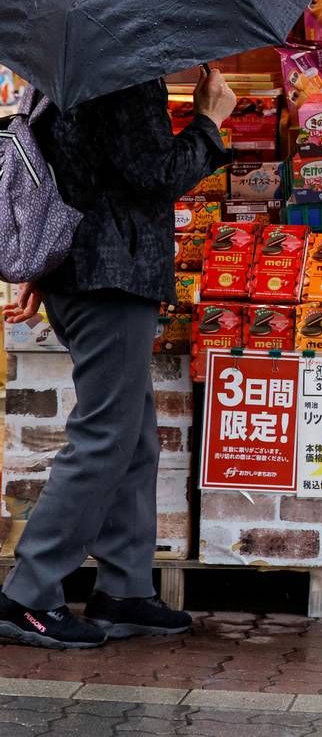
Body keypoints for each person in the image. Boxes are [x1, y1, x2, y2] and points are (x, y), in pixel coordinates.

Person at [0, 69, 236, 649]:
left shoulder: (70, 69)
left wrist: (47, 267)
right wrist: (209, 122)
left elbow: (73, 169)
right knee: (107, 433)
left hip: (90, 271)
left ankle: (125, 589)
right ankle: (27, 595)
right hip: (108, 275)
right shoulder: (125, 77)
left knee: (134, 435)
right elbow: (153, 174)